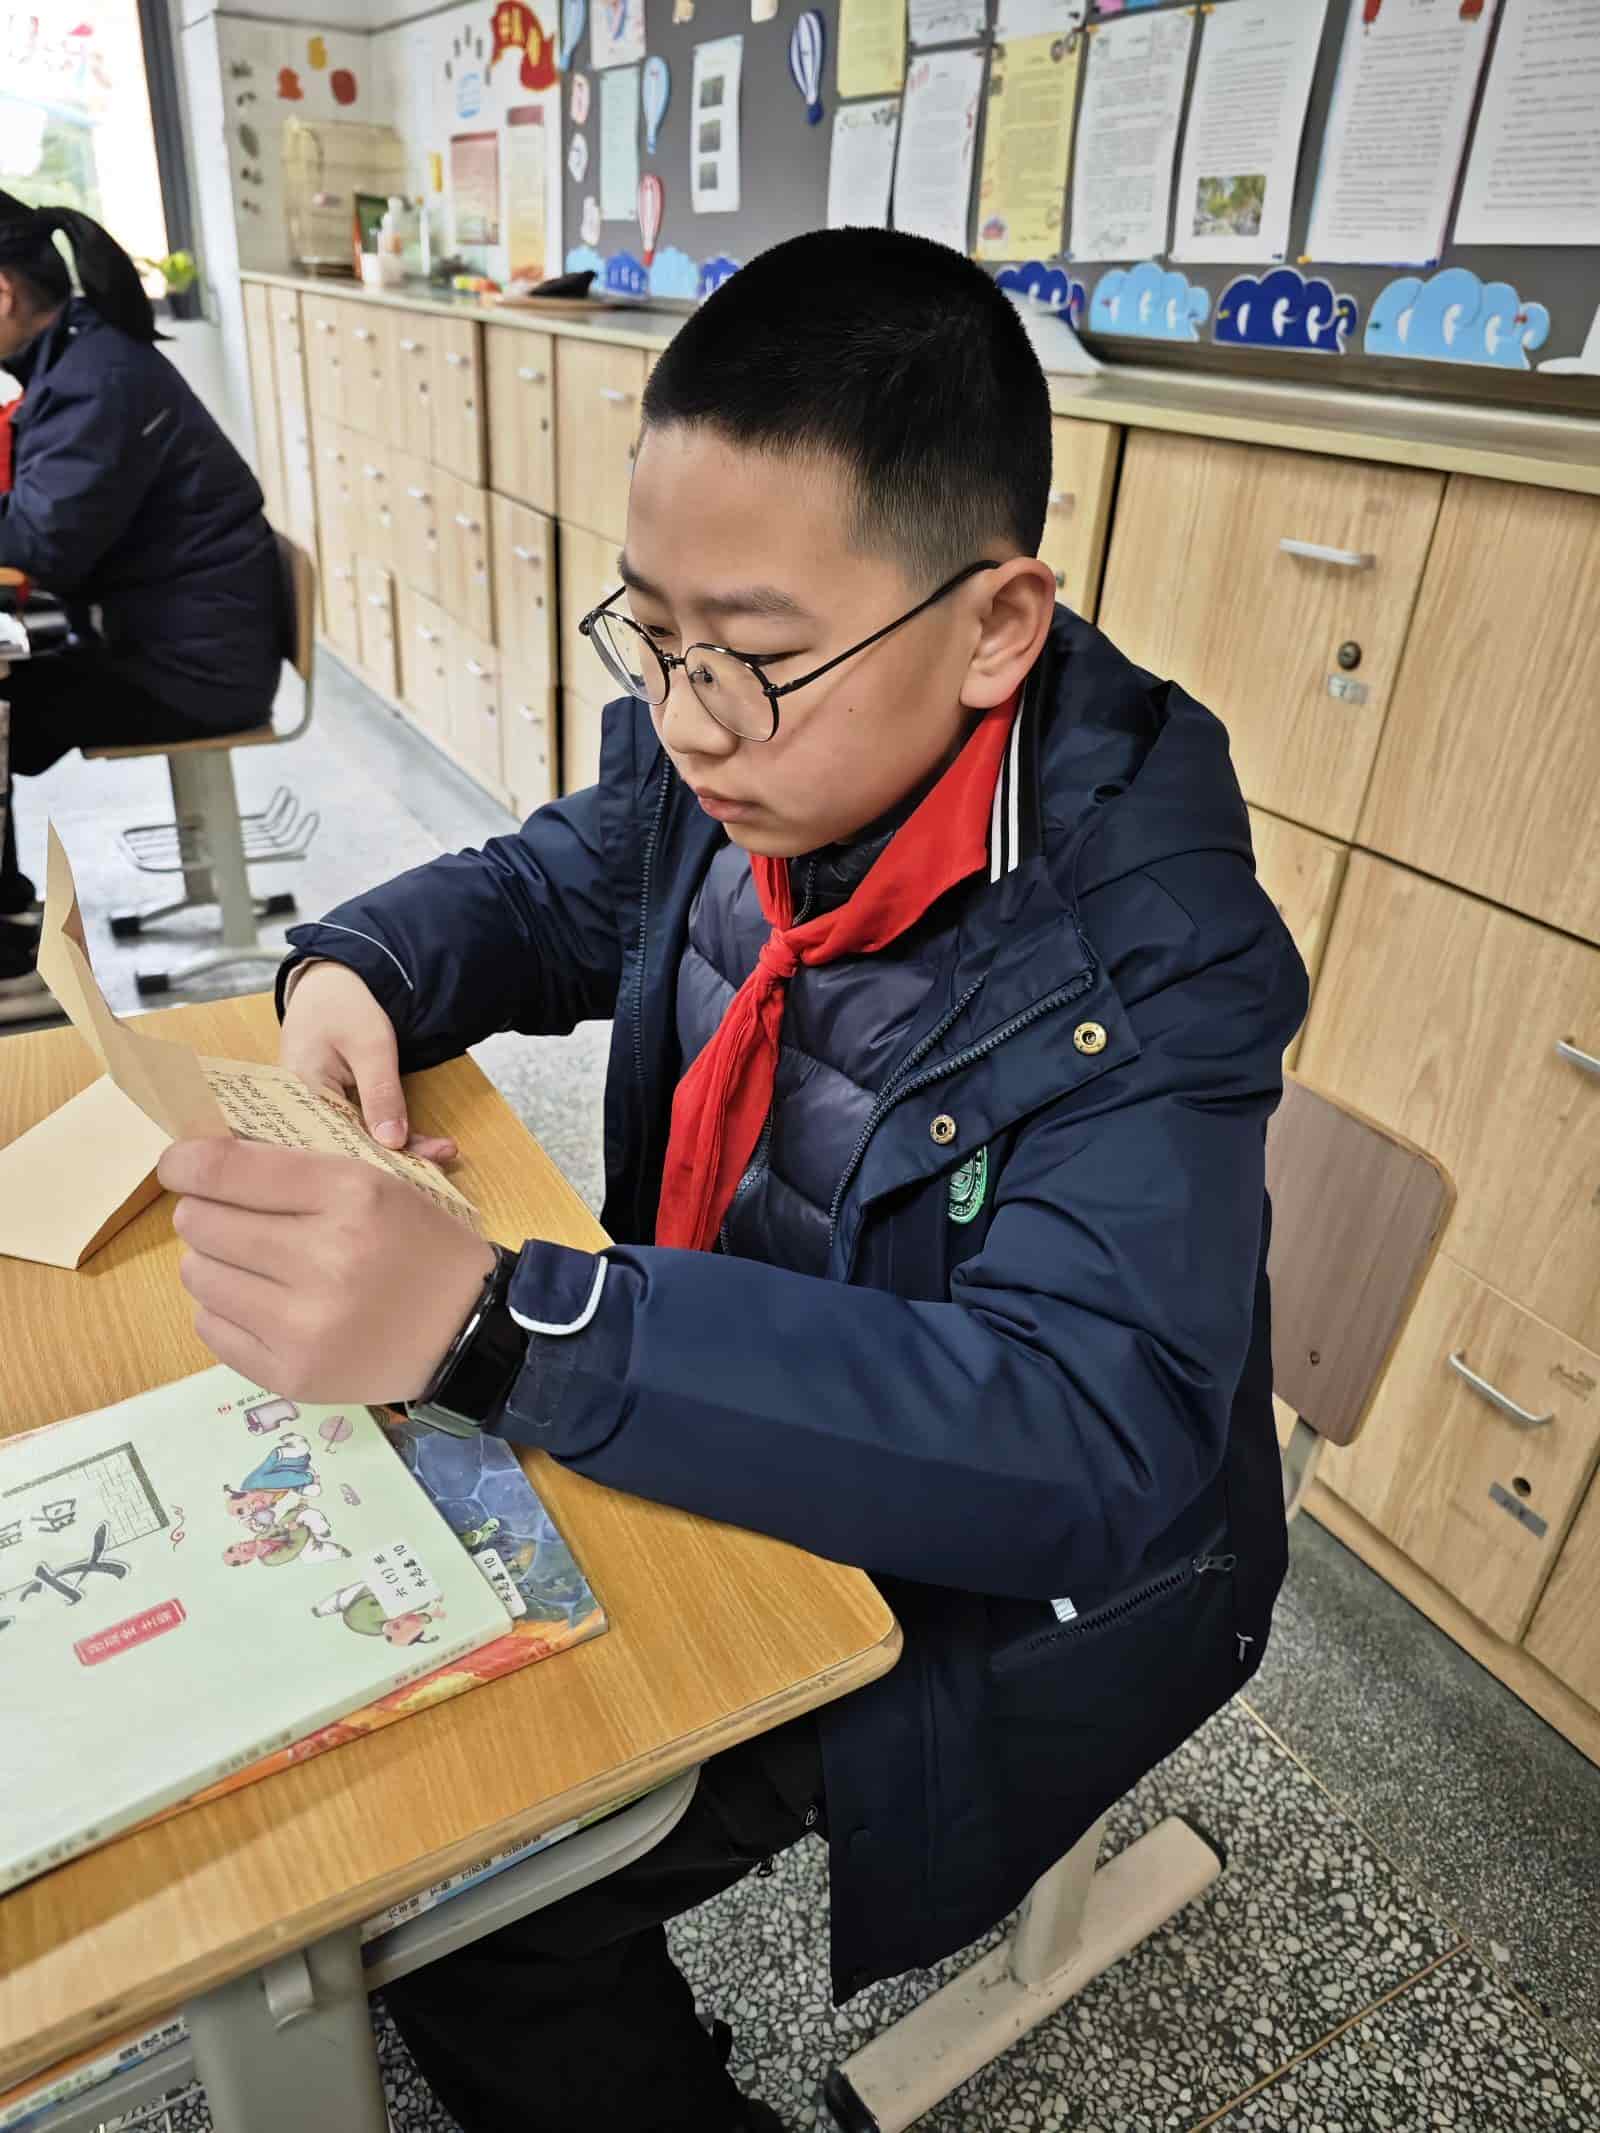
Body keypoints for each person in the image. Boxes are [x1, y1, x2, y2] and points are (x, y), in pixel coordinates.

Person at [157, 229, 1310, 2133]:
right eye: (655, 634)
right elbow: (551, 883)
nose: (693, 717)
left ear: (996, 626)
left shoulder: (1154, 956)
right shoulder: (759, 769)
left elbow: (1093, 1441)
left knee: (473, 1907)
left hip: (1005, 1575)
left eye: (758, 658)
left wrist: (507, 1325)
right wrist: (354, 969)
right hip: (721, 1385)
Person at [0, 192, 282, 1021]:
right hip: (175, 638)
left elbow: (43, 540)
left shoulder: (95, 377)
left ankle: (10, 945)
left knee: (8, 709)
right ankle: (10, 915)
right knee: (11, 698)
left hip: (194, 667)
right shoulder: (77, 358)